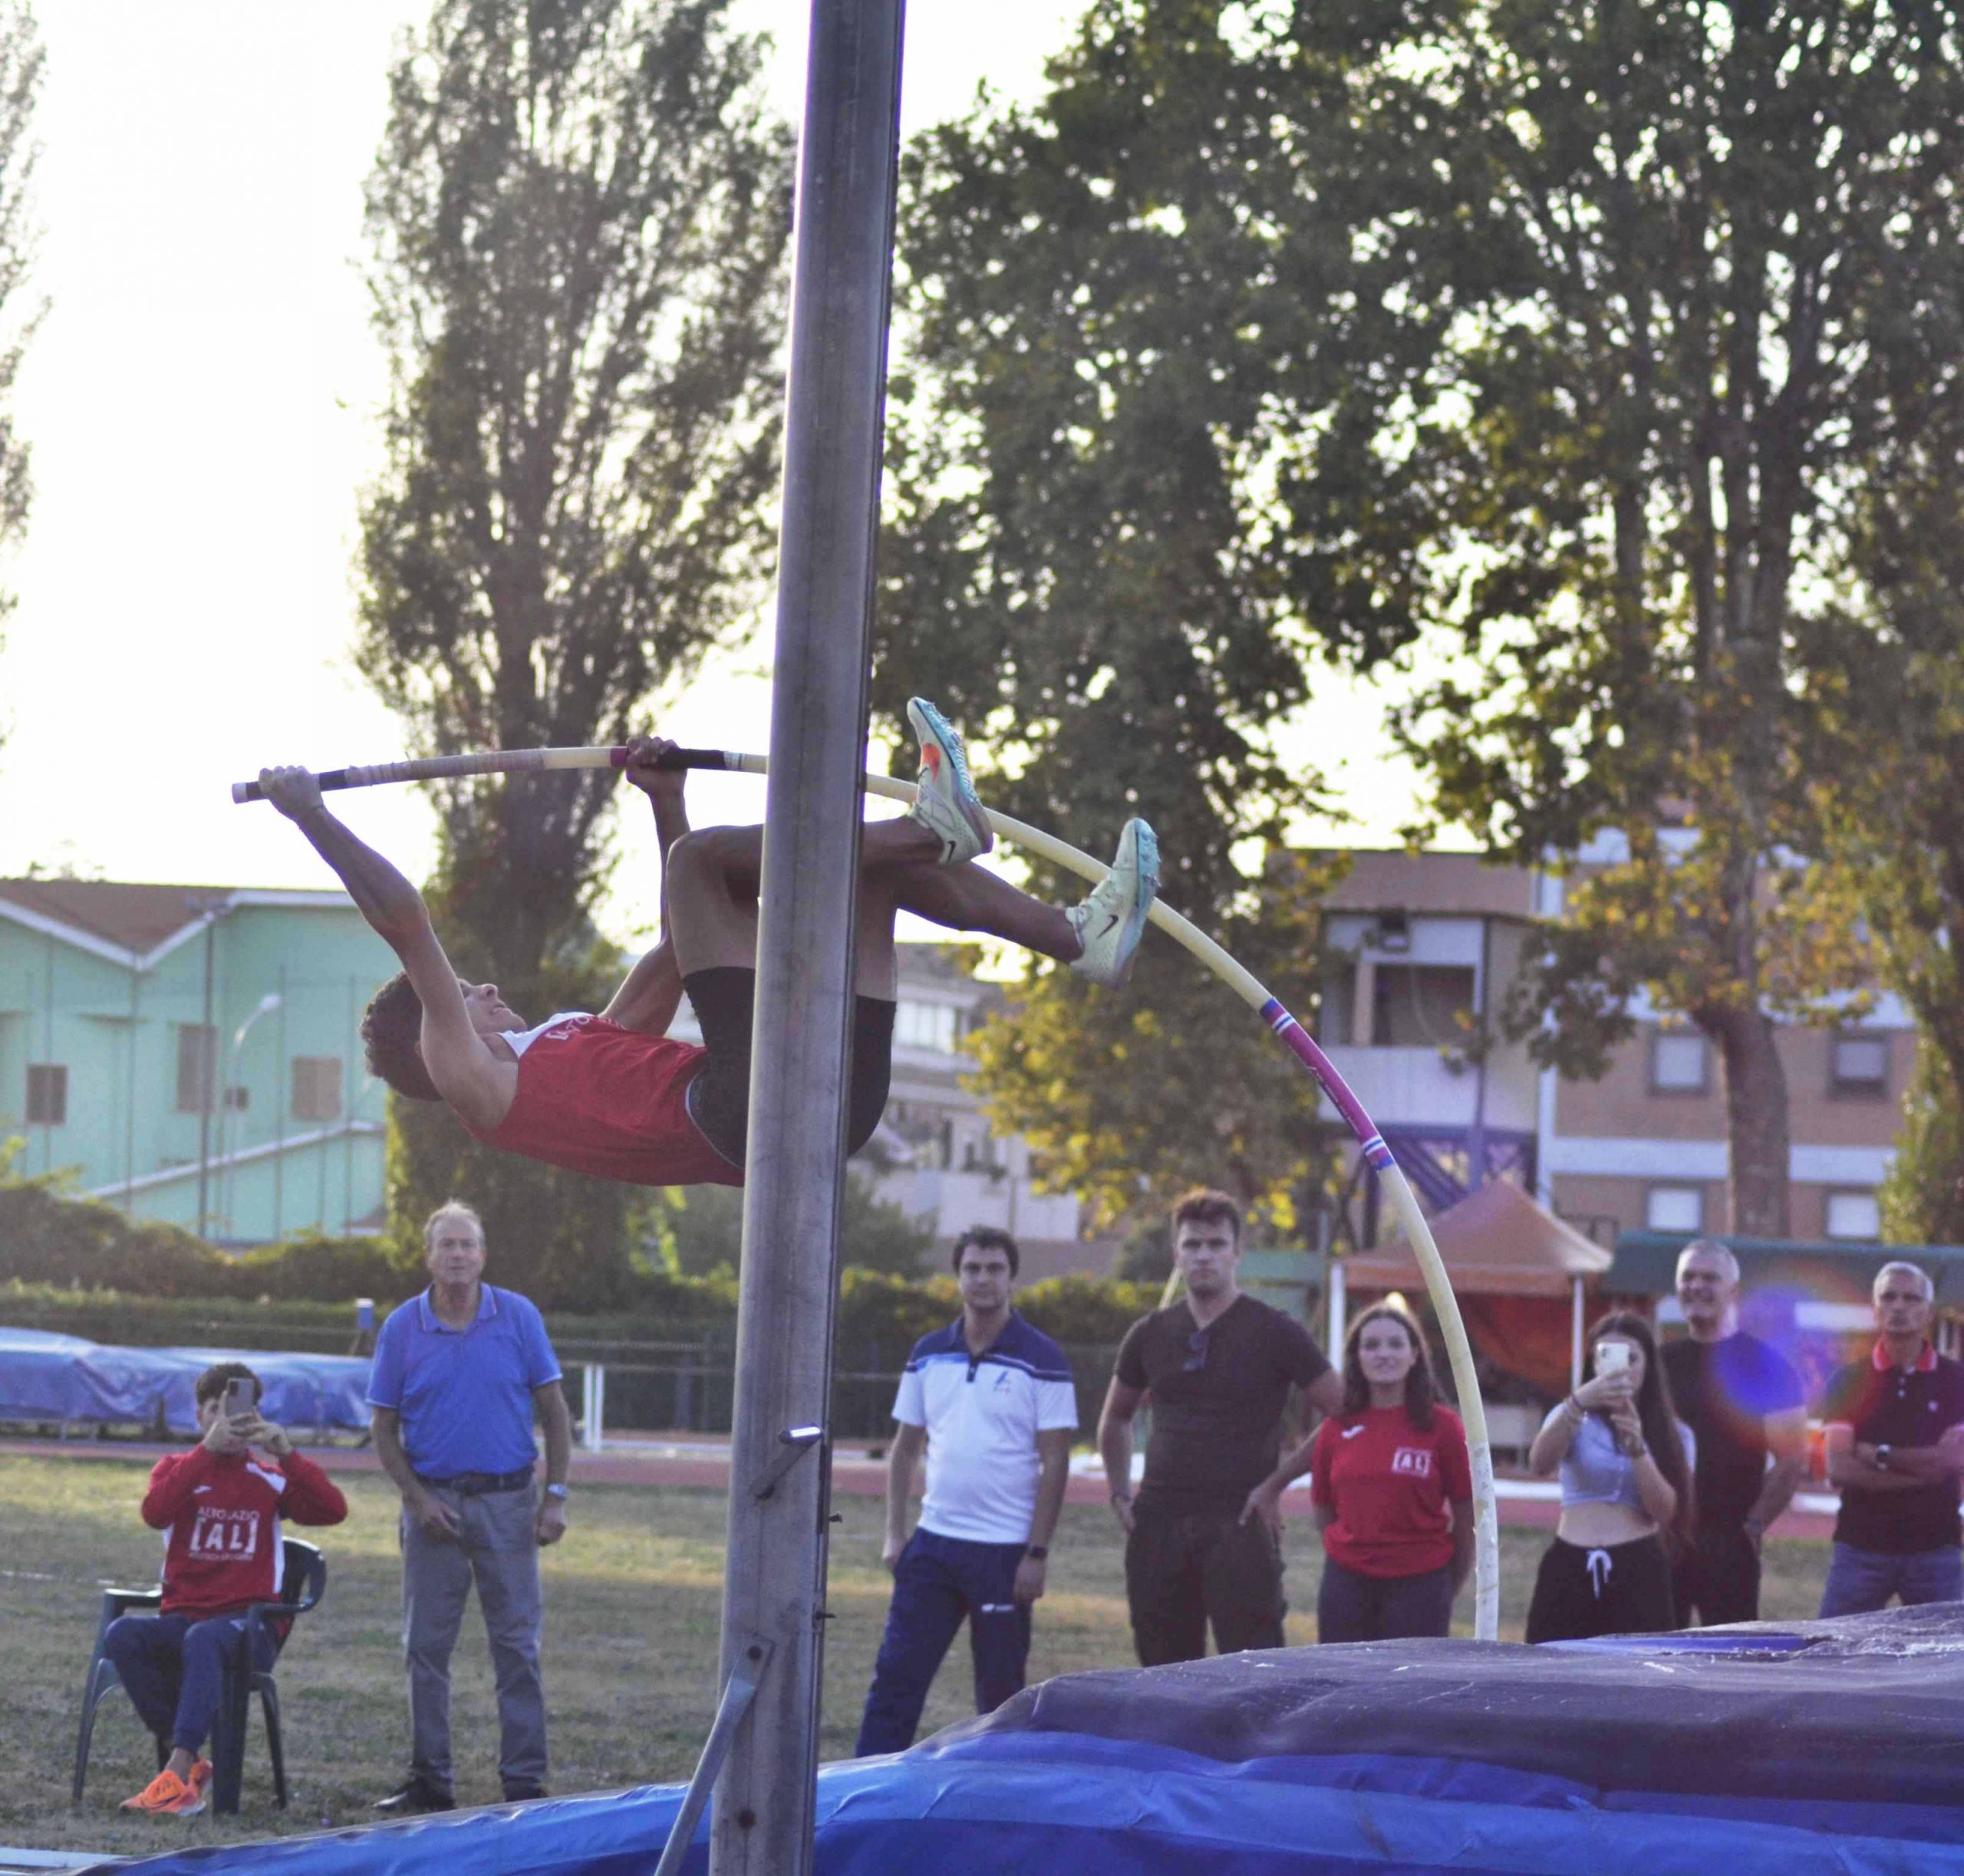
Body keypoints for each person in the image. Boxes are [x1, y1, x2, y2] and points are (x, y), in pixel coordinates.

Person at [256, 700, 1158, 1189]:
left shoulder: (572, 1044)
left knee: (858, 879)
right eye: (464, 992)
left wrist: (663, 801)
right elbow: (407, 921)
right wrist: (312, 818)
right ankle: (930, 830)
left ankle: (1077, 939)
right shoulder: (477, 1083)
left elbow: (680, 948)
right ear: (435, 1033)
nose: (481, 986)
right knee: (705, 864)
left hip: (824, 1106)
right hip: (746, 1114)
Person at [367, 1202, 572, 1813]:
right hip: (434, 1508)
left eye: (468, 1245)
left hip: (509, 1502)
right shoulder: (403, 1327)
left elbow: (557, 1413)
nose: (458, 1255)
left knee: (516, 1645)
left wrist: (555, 1495)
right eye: (447, 1245)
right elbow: (382, 1427)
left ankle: (525, 1780)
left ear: (483, 1255)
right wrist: (417, 1497)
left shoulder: (518, 1317)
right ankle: (431, 1780)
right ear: (428, 1256)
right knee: (425, 1647)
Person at [855, 1226, 1077, 1756]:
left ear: (1011, 1276)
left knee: (1000, 1696)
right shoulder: (928, 1354)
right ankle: (864, 1787)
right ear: (957, 1276)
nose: (983, 1278)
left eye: (994, 1268)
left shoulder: (1043, 1357)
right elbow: (905, 1448)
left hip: (1003, 1554)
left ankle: (996, 1792)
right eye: (972, 1267)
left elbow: (1056, 1461)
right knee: (895, 1679)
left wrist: (1036, 1553)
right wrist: (895, 1533)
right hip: (933, 1548)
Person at [1098, 1189, 1343, 1665]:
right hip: (1160, 1525)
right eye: (1192, 1245)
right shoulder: (1150, 1334)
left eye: (1215, 1243)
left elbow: (1344, 1410)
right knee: (1164, 1672)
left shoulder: (1275, 1331)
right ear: (1176, 1255)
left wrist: (1277, 1483)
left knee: (1254, 1673)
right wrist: (1118, 1492)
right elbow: (1115, 1418)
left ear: (1237, 1252)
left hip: (1240, 1523)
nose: (1204, 1255)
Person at [105, 1362, 348, 1818]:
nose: (227, 1421)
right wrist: (203, 1454)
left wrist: (287, 1454)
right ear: (199, 1416)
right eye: (216, 1410)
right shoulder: (178, 1470)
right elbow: (155, 1513)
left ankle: (177, 1775)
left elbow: (332, 1510)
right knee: (123, 1635)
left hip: (248, 1627)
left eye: (238, 1409)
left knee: (206, 1638)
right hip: (185, 1619)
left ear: (255, 1416)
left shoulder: (270, 1477)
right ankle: (194, 1764)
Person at [1250, 1303, 1473, 1644]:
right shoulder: (1337, 1427)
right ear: (1357, 1357)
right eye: (1371, 1345)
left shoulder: (1443, 1427)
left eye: (1396, 1344)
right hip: (1347, 1585)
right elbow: (1324, 1507)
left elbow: (1466, 1511)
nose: (1384, 1354)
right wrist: (1350, 1554)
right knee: (1347, 1689)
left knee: (1410, 1692)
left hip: (1421, 1584)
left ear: (1415, 1355)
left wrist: (1447, 1585)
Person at [1660, 1238, 1807, 1627]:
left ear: (1733, 1291)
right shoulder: (1659, 1364)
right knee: (1651, 1660)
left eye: (1710, 1277)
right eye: (1688, 1277)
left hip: (1730, 1542)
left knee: (1731, 1666)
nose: (1697, 1286)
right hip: (1665, 1538)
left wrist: (1753, 1527)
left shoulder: (1767, 1365)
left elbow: (1792, 1461)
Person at [1524, 1312, 1694, 1642]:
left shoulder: (1674, 1434)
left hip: (1637, 1564)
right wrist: (1578, 1402)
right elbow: (1539, 1464)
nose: (1621, 1368)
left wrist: (1638, 1449)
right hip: (1571, 1560)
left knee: (1637, 1678)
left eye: (1632, 1358)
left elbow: (1666, 1511)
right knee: (1552, 1673)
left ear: (1649, 1366)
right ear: (1592, 1363)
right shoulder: (1571, 1417)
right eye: (1606, 1356)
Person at [1817, 1260, 1964, 1617]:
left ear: (1928, 1312)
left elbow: (1954, 1462)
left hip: (1937, 1549)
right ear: (1875, 1309)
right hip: (1860, 1548)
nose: (1899, 1306)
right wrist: (1925, 1469)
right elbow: (1839, 1469)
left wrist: (1878, 1455)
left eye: (1911, 1298)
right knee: (1833, 1655)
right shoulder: (1846, 1381)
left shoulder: (1956, 1381)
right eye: (1889, 1297)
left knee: (1948, 1663)